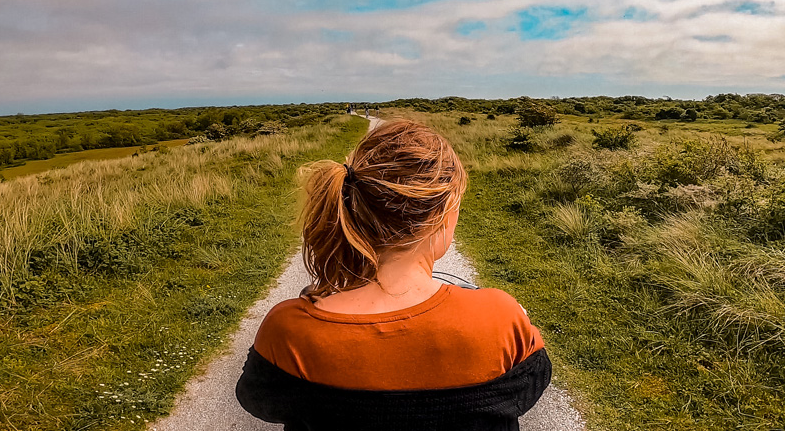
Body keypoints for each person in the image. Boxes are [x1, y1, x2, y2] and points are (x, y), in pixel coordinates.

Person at [236, 119, 551, 430]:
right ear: (444, 216)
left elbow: (257, 400)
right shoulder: (499, 316)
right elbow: (531, 385)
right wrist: (515, 320)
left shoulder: (287, 329)